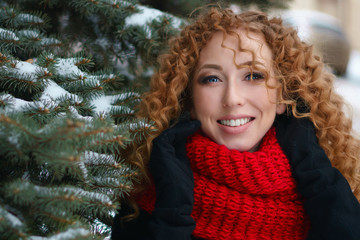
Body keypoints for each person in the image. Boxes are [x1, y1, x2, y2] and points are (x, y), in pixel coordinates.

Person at [111, 6, 360, 240]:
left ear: (283, 96)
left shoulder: (325, 185)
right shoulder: (146, 195)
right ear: (189, 101)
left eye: (253, 76)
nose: (232, 99)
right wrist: (171, 216)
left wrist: (321, 181)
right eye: (212, 79)